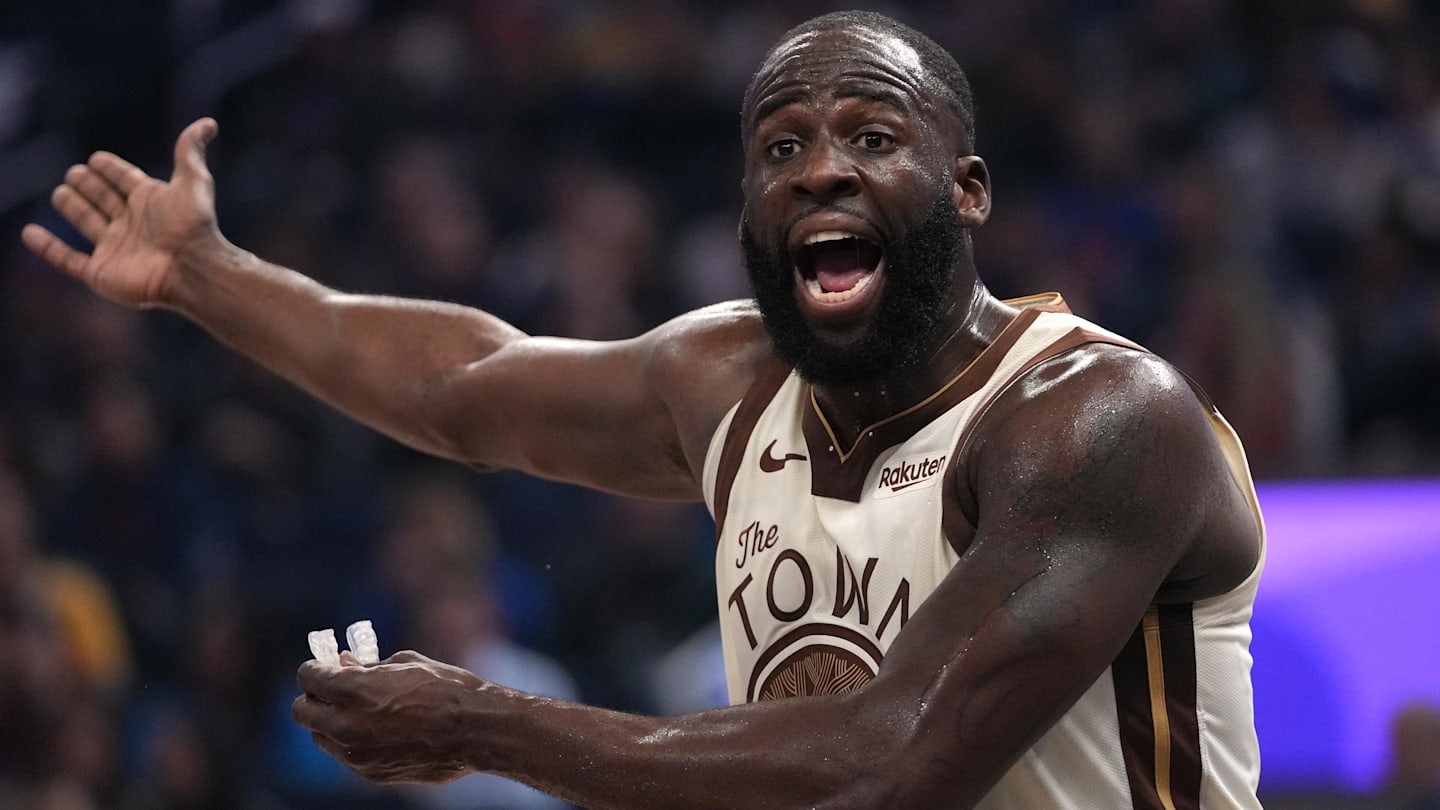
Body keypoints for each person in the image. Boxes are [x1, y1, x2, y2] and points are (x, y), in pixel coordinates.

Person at [21, 10, 1265, 809]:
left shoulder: (1099, 415)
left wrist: (481, 723)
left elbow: (893, 762)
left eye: (872, 135)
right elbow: (460, 386)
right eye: (780, 148)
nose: (820, 165)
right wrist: (204, 276)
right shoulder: (724, 379)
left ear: (969, 191)